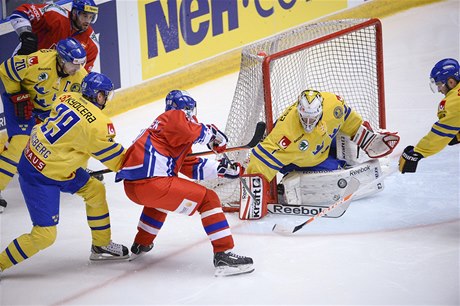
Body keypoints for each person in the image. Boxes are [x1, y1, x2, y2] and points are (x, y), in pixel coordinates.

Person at [0, 72, 129, 276]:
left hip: (48, 162)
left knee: (94, 189)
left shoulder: (66, 97)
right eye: (106, 95)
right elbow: (119, 161)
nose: (106, 99)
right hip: (40, 177)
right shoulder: (98, 125)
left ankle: (101, 245)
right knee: (45, 234)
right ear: (98, 96)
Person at [115, 90, 254, 277]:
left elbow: (190, 166)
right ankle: (224, 254)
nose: (192, 115)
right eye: (189, 110)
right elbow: (192, 129)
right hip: (153, 184)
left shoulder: (167, 133)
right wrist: (212, 134)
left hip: (134, 188)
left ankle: (141, 243)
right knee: (209, 199)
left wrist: (222, 169)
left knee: (161, 202)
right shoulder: (172, 118)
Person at [241, 89, 400, 219]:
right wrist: (256, 194)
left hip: (320, 144)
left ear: (321, 110)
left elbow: (348, 118)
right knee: (337, 176)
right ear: (299, 111)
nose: (308, 123)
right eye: (305, 118)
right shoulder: (286, 135)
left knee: (351, 147)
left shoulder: (333, 104)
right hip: (299, 158)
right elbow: (260, 159)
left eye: (313, 118)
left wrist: (366, 137)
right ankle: (285, 189)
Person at [0, 37, 87, 212]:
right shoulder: (38, 62)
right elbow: (5, 70)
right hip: (21, 102)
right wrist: (17, 94)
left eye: (80, 65)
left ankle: (73, 170)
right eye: (74, 65)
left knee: (76, 133)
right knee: (20, 143)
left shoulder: (79, 76)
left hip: (47, 109)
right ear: (61, 60)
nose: (77, 69)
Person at [399, 58, 460, 173]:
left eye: (440, 85)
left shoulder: (452, 102)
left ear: (451, 82)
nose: (439, 90)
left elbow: (441, 133)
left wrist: (418, 152)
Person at [9, 0, 99, 73]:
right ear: (75, 13)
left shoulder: (91, 43)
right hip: (26, 64)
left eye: (91, 17)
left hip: (53, 82)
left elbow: (81, 76)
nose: (88, 21)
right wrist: (26, 35)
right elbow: (20, 12)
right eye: (85, 15)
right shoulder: (54, 14)